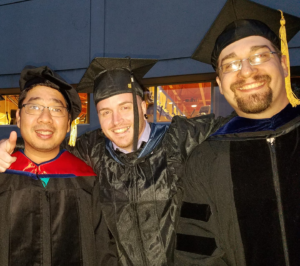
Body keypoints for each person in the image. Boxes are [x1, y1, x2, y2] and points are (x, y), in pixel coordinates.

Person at [0, 58, 226, 265]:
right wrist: (11, 149)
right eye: (105, 112)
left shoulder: (180, 138)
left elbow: (240, 127)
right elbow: (48, 148)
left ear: (143, 106)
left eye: (125, 107)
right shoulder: (92, 152)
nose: (116, 121)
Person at [175, 18, 300, 266]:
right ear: (220, 84)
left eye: (259, 57)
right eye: (230, 64)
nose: (246, 71)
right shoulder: (205, 160)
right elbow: (196, 254)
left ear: (283, 64)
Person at [0, 66, 117, 266]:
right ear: (18, 117)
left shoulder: (87, 181)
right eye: (35, 107)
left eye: (56, 109)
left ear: (69, 122)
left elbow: (104, 253)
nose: (45, 118)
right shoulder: (3, 175)